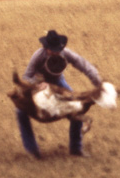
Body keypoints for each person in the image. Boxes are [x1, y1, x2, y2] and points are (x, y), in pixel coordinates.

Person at [16, 29, 105, 159]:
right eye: (53, 49)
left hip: (58, 83)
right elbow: (26, 78)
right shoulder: (38, 56)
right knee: (20, 112)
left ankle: (76, 148)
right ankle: (32, 149)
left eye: (57, 49)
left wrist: (99, 84)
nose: (56, 52)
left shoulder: (65, 53)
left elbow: (85, 66)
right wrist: (36, 84)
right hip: (40, 86)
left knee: (77, 108)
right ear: (45, 48)